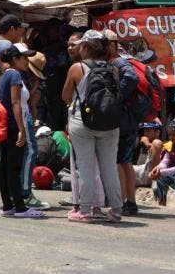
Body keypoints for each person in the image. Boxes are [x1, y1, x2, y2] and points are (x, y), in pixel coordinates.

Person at [61, 30, 123, 222]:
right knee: (109, 167)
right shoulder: (113, 69)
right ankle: (116, 209)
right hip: (110, 123)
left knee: (85, 167)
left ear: (86, 47)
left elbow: (65, 96)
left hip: (83, 123)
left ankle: (85, 210)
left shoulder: (77, 68)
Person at [0, 44, 44, 218]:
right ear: (15, 59)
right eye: (24, 58)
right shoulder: (15, 75)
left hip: (5, 126)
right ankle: (20, 207)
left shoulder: (3, 76)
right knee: (14, 167)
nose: (27, 61)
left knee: (5, 166)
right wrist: (22, 130)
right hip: (14, 125)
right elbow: (16, 102)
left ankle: (8, 205)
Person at [104, 29, 141, 216]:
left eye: (104, 44)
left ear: (112, 45)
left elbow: (132, 78)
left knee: (120, 161)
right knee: (124, 161)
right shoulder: (115, 62)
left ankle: (124, 201)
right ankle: (128, 202)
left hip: (125, 120)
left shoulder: (118, 61)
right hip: (127, 119)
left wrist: (117, 97)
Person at [20, 46, 51, 210]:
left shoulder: (19, 75)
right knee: (30, 151)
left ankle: (20, 192)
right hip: (23, 118)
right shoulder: (25, 78)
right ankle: (25, 193)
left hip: (22, 118)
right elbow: (30, 102)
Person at [150, 117, 175, 207]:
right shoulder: (170, 145)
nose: (171, 137)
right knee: (160, 177)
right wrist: (157, 169)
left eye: (174, 135)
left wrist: (162, 172)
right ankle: (161, 203)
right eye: (169, 135)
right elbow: (165, 162)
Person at [134, 122, 164, 187]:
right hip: (141, 172)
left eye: (148, 131)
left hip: (152, 174)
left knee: (156, 143)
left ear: (157, 132)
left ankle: (155, 182)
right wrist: (146, 143)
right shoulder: (142, 142)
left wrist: (149, 144)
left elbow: (157, 146)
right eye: (145, 131)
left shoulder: (160, 144)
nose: (145, 133)